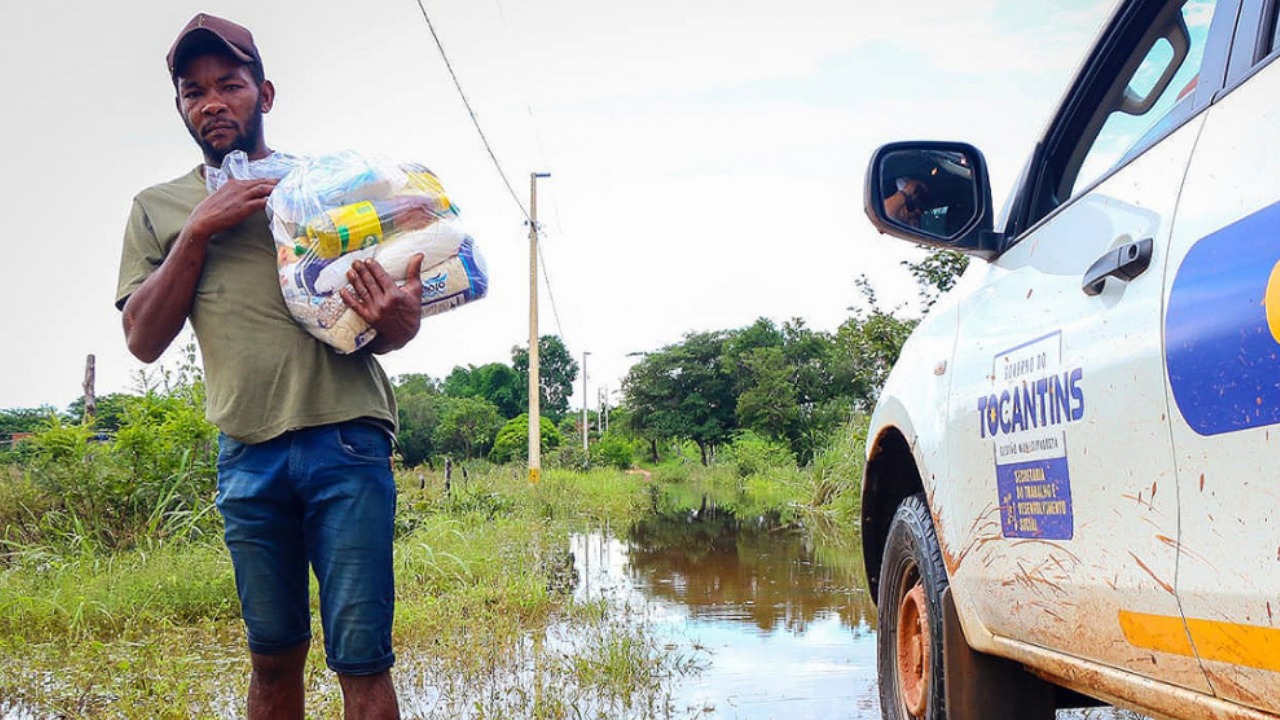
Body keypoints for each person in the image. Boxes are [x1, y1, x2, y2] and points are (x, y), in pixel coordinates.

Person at [115, 14, 422, 719]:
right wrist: (200, 228)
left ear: (266, 93)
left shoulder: (324, 189)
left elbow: (383, 319)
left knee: (362, 661)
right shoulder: (158, 209)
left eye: (230, 84)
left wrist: (397, 324)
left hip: (346, 437)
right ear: (181, 108)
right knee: (272, 657)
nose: (212, 102)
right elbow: (141, 339)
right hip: (246, 455)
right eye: (194, 91)